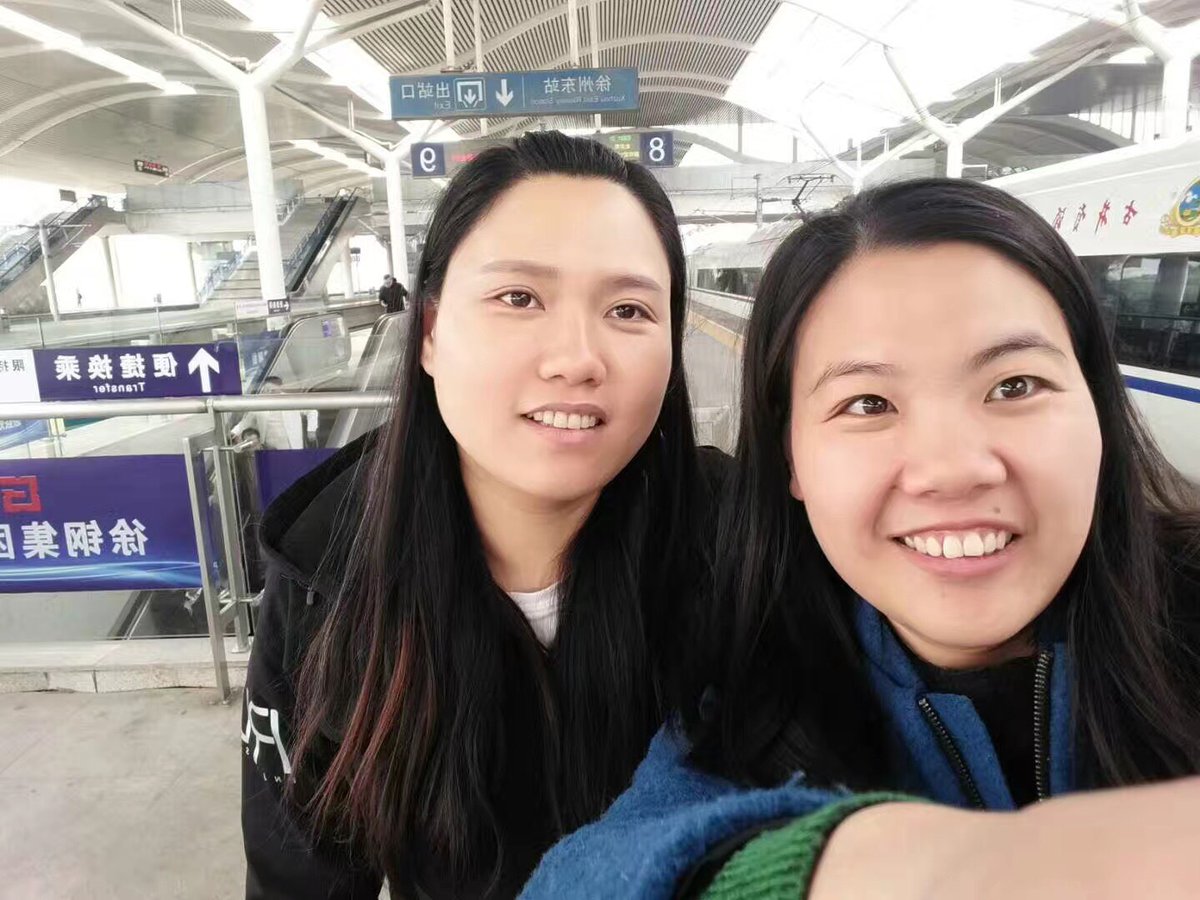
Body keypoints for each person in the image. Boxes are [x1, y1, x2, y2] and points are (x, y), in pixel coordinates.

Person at [520, 178, 1200, 899]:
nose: (952, 470)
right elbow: (592, 874)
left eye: (1015, 386)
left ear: (1098, 407)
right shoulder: (751, 712)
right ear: (789, 457)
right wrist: (857, 870)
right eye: (868, 403)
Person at [242, 132, 724, 899]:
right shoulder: (326, 581)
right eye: (519, 298)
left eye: (629, 309)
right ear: (431, 333)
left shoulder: (740, 545)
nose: (577, 358)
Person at [230, 376, 317, 450]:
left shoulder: (291, 400)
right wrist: (233, 433)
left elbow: (311, 410)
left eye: (272, 389)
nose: (269, 392)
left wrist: (311, 430)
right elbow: (245, 423)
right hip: (269, 449)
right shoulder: (259, 403)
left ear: (280, 388)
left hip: (291, 446)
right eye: (267, 389)